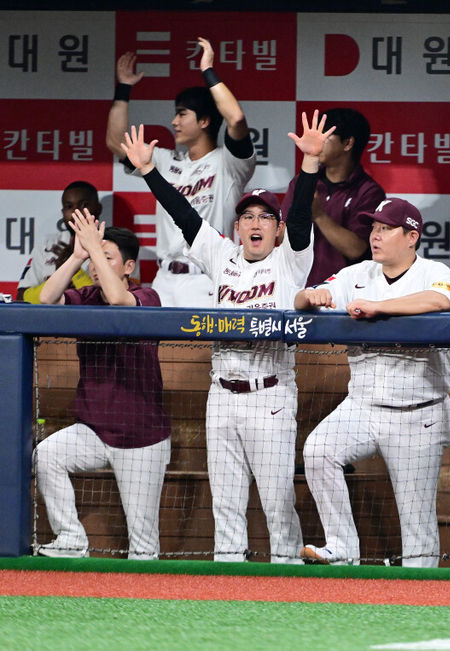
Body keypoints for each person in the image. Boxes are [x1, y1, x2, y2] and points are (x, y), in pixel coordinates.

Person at [119, 111, 329, 562]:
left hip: (270, 395)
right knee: (226, 502)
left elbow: (300, 212)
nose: (255, 223)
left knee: (276, 502)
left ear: (276, 230)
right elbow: (183, 214)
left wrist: (310, 164)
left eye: (264, 218)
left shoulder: (290, 262)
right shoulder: (223, 256)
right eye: (247, 216)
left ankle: (289, 575)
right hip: (222, 393)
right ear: (237, 228)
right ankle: (228, 581)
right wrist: (150, 172)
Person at [297, 197, 450, 568]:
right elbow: (302, 298)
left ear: (412, 236)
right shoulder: (358, 274)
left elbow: (438, 300)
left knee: (415, 522)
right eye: (373, 227)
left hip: (419, 414)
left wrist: (378, 307)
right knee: (318, 451)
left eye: (386, 228)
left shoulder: (434, 272)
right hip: (363, 407)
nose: (376, 235)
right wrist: (310, 296)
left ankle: (421, 599)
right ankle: (342, 548)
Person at [34, 211, 170, 559]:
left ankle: (147, 606)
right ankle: (71, 538)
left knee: (143, 546)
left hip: (141, 437)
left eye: (106, 256)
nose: (97, 263)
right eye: (95, 256)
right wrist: (79, 254)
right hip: (93, 432)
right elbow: (46, 298)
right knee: (47, 454)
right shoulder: (86, 296)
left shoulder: (148, 296)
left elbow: (118, 301)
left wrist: (93, 246)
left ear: (128, 267)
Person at [105, 38, 256, 307]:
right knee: (160, 350)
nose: (174, 122)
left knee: (202, 350)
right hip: (164, 278)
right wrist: (124, 88)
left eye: (181, 114)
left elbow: (236, 118)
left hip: (206, 278)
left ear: (204, 120)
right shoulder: (164, 160)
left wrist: (208, 71)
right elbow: (116, 143)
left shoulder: (229, 163)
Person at [280, 107, 385, 286]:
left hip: (346, 296)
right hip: (298, 290)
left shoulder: (369, 192)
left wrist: (319, 215)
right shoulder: (302, 183)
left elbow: (356, 249)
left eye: (324, 137)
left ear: (347, 143)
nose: (317, 142)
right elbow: (282, 235)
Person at [16, 181, 102, 303]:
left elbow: (117, 298)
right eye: (69, 207)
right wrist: (57, 284)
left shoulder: (113, 244)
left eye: (84, 205)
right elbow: (21, 298)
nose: (76, 212)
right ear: (62, 212)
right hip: (50, 318)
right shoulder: (48, 245)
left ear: (99, 208)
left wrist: (75, 273)